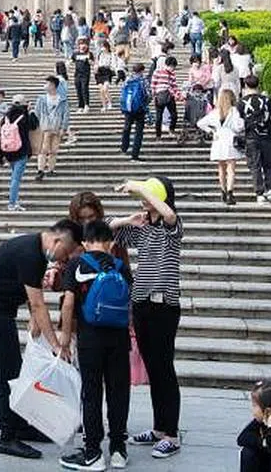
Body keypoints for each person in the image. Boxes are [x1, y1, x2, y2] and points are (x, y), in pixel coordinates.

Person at [0, 220, 83, 460]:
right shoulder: (30, 253)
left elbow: (31, 295)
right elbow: (37, 304)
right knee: (9, 375)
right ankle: (7, 437)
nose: (62, 260)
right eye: (64, 253)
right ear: (58, 241)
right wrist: (56, 344)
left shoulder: (35, 249)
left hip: (1, 311)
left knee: (15, 372)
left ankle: (22, 427)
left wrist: (37, 322)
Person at [110, 177, 183, 460]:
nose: (143, 199)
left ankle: (172, 434)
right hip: (140, 305)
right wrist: (127, 218)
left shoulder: (171, 227)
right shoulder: (142, 228)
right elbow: (104, 233)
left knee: (164, 368)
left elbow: (168, 214)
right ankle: (158, 428)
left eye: (149, 195)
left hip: (163, 306)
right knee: (153, 368)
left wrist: (140, 188)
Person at [57, 220, 133, 472]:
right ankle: (119, 450)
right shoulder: (121, 267)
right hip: (119, 341)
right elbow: (128, 305)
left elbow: (68, 304)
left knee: (91, 394)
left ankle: (93, 453)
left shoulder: (77, 264)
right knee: (118, 393)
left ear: (85, 243)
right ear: (110, 243)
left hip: (90, 341)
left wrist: (65, 338)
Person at [198, 89, 246, 204]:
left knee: (221, 168)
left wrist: (211, 131)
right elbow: (239, 127)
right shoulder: (234, 111)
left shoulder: (215, 112)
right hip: (230, 139)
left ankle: (223, 191)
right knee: (231, 169)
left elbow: (200, 123)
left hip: (218, 139)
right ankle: (230, 192)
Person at [238, 75, 271, 204]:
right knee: (269, 164)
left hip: (251, 137)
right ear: (258, 85)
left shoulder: (241, 103)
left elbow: (238, 123)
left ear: (245, 86)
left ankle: (259, 193)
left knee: (255, 165)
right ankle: (270, 191)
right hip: (268, 136)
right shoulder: (267, 100)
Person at [0, 94, 39, 212]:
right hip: (21, 151)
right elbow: (34, 126)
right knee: (16, 179)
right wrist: (31, 111)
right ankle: (12, 203)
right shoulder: (24, 116)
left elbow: (0, 137)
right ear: (23, 103)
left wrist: (0, 155)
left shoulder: (6, 117)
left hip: (9, 151)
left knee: (14, 177)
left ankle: (14, 200)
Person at [35, 76, 67, 182]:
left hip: (56, 127)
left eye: (48, 83)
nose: (46, 85)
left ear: (53, 85)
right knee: (43, 149)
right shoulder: (42, 99)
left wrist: (64, 127)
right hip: (44, 127)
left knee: (54, 150)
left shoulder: (62, 100)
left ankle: (51, 168)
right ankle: (40, 169)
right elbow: (37, 113)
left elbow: (66, 114)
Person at [119, 64, 152, 162]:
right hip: (140, 109)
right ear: (142, 71)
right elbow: (149, 94)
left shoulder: (128, 79)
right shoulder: (143, 81)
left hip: (128, 108)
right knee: (139, 132)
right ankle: (135, 154)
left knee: (127, 127)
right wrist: (145, 104)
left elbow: (122, 93)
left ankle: (124, 147)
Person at [151, 56, 183, 141]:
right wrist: (154, 95)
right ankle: (158, 135)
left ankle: (171, 129)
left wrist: (178, 95)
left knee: (174, 115)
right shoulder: (157, 72)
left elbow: (174, 86)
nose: (173, 69)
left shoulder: (172, 74)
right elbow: (153, 84)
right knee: (159, 117)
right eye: (172, 67)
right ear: (168, 65)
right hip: (160, 96)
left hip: (169, 96)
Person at [95, 42, 117, 111]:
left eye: (104, 47)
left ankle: (109, 102)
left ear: (107, 47)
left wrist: (113, 69)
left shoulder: (111, 55)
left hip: (107, 71)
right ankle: (104, 105)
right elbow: (97, 63)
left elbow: (113, 64)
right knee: (101, 90)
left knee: (105, 88)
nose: (102, 49)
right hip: (99, 72)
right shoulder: (100, 54)